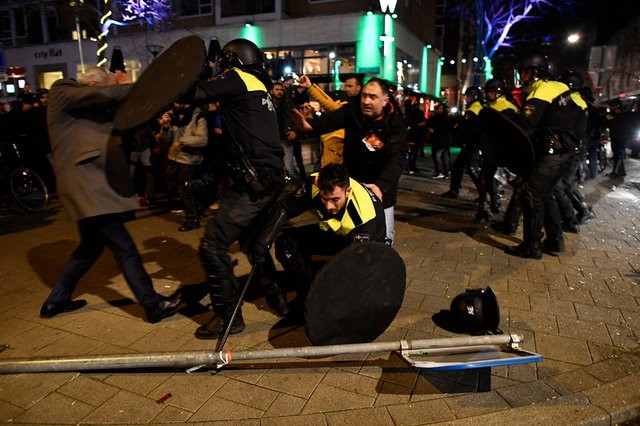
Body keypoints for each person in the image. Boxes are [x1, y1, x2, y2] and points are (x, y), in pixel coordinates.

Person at [41, 66, 182, 322]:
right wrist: (134, 87)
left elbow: (128, 119)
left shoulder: (94, 106)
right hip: (86, 184)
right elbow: (107, 97)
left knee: (90, 247)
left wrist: (133, 97)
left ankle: (55, 301)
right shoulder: (63, 90)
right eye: (108, 87)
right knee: (124, 246)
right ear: (94, 86)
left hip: (92, 184)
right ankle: (152, 305)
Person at [185, 38, 286, 340]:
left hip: (254, 182)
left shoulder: (238, 78)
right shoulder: (260, 86)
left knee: (212, 246)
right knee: (251, 240)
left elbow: (195, 93)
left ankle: (227, 317)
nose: (220, 70)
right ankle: (277, 296)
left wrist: (184, 74)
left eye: (224, 64)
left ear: (233, 62)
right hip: (271, 178)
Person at [291, 76, 406, 244]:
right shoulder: (352, 111)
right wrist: (309, 127)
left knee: (383, 236)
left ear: (384, 100)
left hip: (380, 188)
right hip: (353, 183)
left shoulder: (396, 124)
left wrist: (381, 186)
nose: (366, 101)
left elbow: (396, 159)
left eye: (373, 97)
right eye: (364, 95)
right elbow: (331, 120)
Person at [273, 163, 386, 313]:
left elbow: (358, 268)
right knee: (286, 243)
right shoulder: (316, 183)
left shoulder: (365, 219)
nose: (328, 206)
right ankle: (307, 294)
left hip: (362, 244)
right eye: (324, 199)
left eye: (334, 199)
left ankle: (322, 301)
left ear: (348, 191)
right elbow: (288, 207)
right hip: (336, 232)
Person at [505, 53, 584, 259]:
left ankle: (531, 246)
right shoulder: (560, 88)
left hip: (551, 151)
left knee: (531, 193)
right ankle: (555, 241)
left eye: (525, 71)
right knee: (546, 194)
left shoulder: (541, 91)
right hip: (564, 150)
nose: (522, 76)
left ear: (536, 72)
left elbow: (526, 127)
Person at [158, 102, 209, 231]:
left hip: (189, 160)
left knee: (184, 190)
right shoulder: (173, 116)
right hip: (173, 158)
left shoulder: (198, 117)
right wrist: (165, 126)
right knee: (173, 187)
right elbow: (166, 140)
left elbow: (202, 139)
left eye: (179, 102)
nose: (176, 105)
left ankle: (193, 220)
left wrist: (181, 141)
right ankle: (198, 208)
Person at [443, 86, 483, 202]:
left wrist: (459, 130)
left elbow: (466, 128)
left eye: (468, 96)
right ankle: (455, 190)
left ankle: (486, 194)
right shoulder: (479, 108)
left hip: (470, 145)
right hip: (473, 144)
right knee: (460, 168)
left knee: (472, 170)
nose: (466, 99)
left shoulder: (472, 110)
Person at [426, 103, 453, 179]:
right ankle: (446, 172)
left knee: (438, 155)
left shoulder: (443, 117)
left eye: (441, 108)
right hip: (442, 139)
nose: (440, 110)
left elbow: (443, 128)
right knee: (445, 156)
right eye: (439, 108)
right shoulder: (439, 117)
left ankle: (440, 171)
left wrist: (434, 131)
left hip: (443, 139)